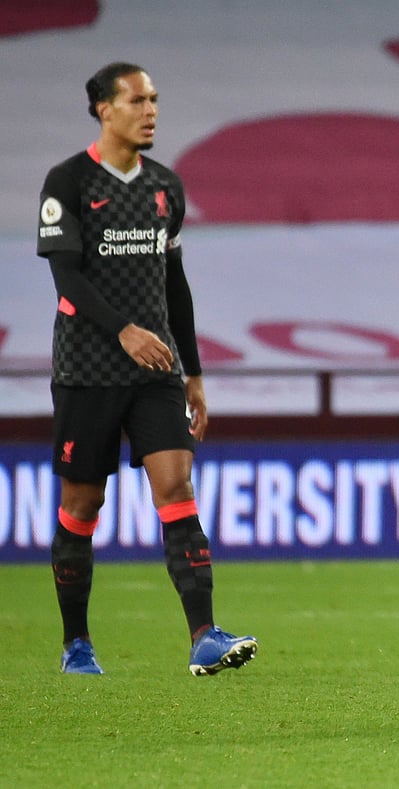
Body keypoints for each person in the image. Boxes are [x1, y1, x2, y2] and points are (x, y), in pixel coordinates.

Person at [35, 62, 258, 676]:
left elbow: (174, 283)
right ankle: (76, 643)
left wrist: (193, 371)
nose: (151, 110)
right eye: (137, 100)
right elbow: (66, 276)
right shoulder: (69, 182)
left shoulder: (165, 186)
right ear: (104, 109)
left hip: (156, 371)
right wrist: (123, 330)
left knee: (177, 486)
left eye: (154, 99)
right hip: (86, 370)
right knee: (82, 504)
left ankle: (204, 636)